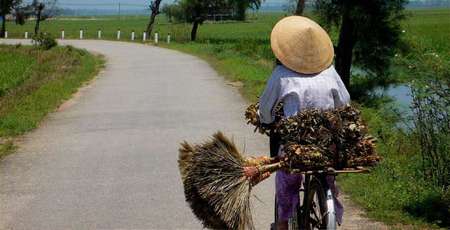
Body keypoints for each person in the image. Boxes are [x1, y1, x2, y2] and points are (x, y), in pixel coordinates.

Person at [258, 16, 351, 230]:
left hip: (295, 144)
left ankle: (282, 223)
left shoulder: (281, 75)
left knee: (287, 181)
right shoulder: (330, 72)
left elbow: (265, 109)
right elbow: (344, 103)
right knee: (328, 176)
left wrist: (267, 121)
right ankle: (329, 204)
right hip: (327, 143)